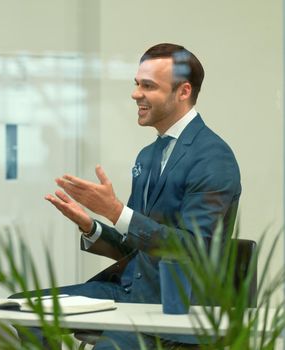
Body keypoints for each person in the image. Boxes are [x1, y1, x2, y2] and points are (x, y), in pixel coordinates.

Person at [41, 43, 241, 349]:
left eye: (148, 86)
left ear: (183, 92)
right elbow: (135, 242)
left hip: (177, 310)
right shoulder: (148, 155)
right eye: (137, 84)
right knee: (22, 310)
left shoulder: (213, 158)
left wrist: (116, 212)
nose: (136, 94)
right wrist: (91, 226)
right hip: (129, 294)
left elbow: (192, 248)